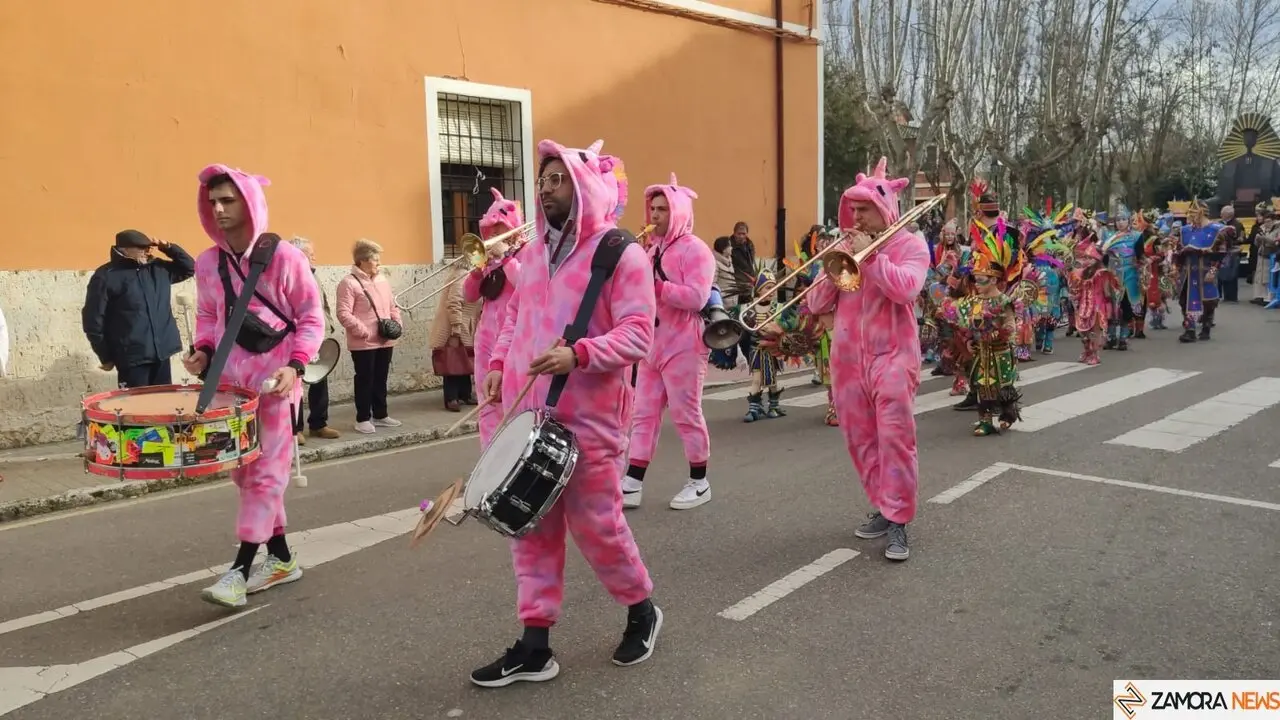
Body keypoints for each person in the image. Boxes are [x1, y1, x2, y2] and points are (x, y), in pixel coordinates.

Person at [474, 138, 661, 687]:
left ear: (583, 188)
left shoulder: (620, 253)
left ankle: (642, 610)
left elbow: (638, 334)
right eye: (543, 180)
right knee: (528, 529)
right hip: (530, 417)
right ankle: (535, 646)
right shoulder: (532, 255)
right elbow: (515, 317)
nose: (547, 188)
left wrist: (579, 353)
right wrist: (498, 363)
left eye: (558, 180)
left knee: (597, 526)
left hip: (591, 419)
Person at [183, 165, 324, 608]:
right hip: (230, 388)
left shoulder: (285, 258)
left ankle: (239, 571)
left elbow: (311, 319)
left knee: (266, 475)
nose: (219, 209)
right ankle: (281, 558)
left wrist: (296, 367)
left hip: (276, 384)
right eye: (213, 202)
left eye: (228, 200)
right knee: (245, 474)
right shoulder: (207, 262)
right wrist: (203, 351)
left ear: (249, 203)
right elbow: (209, 315)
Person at [802, 157, 929, 562]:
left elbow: (906, 289)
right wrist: (833, 264)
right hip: (848, 359)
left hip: (893, 354)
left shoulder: (911, 245)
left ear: (884, 209)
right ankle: (884, 505)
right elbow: (816, 303)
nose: (855, 217)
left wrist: (871, 258)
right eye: (852, 209)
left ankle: (899, 520)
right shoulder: (845, 247)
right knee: (860, 439)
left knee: (895, 438)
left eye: (864, 209)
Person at [623, 174, 715, 511]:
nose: (655, 215)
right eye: (653, 208)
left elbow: (697, 297)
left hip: (684, 344)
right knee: (643, 414)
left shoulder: (696, 249)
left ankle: (699, 482)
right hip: (652, 345)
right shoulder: (651, 248)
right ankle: (632, 482)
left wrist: (658, 287)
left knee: (686, 414)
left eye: (662, 209)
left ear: (678, 212)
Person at [942, 218, 1024, 436]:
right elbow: (968, 324)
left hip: (1000, 353)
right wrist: (969, 339)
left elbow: (1010, 326)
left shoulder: (1003, 301)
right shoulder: (974, 301)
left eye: (981, 280)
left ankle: (1008, 414)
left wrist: (999, 333)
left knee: (1003, 386)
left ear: (994, 280)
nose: (976, 284)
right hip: (981, 353)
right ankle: (985, 421)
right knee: (981, 386)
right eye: (976, 280)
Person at [83, 230, 195, 388]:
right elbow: (93, 320)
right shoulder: (106, 276)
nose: (147, 251)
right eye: (142, 248)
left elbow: (189, 268)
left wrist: (169, 248)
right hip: (131, 357)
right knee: (135, 403)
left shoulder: (158, 268)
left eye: (149, 248)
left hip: (162, 353)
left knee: (163, 401)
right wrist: (105, 356)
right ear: (124, 249)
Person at [462, 187, 524, 445]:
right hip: (487, 339)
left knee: (514, 403)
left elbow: (526, 284)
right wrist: (478, 271)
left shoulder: (527, 253)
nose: (494, 236)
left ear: (513, 229)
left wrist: (507, 258)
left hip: (515, 338)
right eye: (490, 231)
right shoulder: (489, 261)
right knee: (487, 404)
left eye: (500, 230)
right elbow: (468, 295)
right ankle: (489, 456)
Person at [336, 239, 403, 433]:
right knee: (365, 379)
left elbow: (392, 305)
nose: (379, 263)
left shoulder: (382, 280)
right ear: (363, 261)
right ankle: (363, 418)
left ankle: (381, 414)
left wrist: (397, 323)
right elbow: (343, 313)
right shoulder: (348, 283)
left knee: (381, 377)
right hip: (363, 342)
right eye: (375, 259)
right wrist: (362, 330)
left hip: (385, 339)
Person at [288, 236, 341, 443]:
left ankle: (319, 424)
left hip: (318, 337)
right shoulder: (290, 277)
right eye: (310, 254)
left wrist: (328, 326)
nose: (315, 257)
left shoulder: (313, 275)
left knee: (320, 380)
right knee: (296, 384)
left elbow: (323, 304)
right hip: (298, 339)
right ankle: (296, 428)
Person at [429, 260, 480, 411]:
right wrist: (456, 326)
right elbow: (454, 302)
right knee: (452, 360)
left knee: (463, 359)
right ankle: (451, 397)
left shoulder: (468, 274)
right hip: (455, 325)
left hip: (466, 323)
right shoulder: (462, 275)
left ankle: (464, 394)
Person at [1173, 199, 1225, 342]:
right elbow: (1178, 251)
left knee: (1208, 301)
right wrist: (1176, 267)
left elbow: (1221, 253)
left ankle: (1206, 327)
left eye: (1194, 213)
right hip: (1188, 271)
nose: (1191, 217)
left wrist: (1213, 270)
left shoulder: (1216, 230)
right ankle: (1189, 330)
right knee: (1184, 300)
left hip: (1206, 269)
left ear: (1202, 213)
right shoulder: (1185, 230)